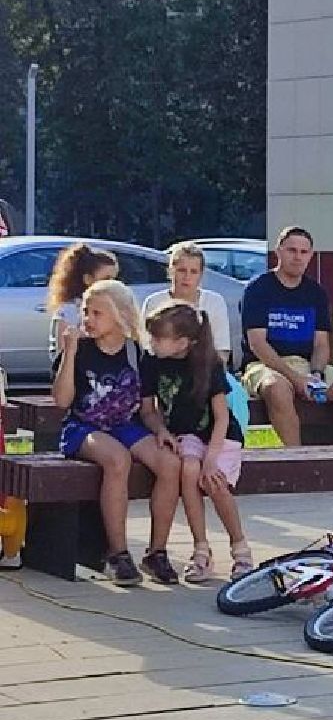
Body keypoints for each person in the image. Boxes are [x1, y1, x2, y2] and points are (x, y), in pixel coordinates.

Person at [54, 280, 181, 587]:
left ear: (120, 316)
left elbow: (147, 408)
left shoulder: (136, 353)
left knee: (170, 463)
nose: (88, 319)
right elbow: (61, 401)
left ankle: (156, 553)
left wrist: (161, 431)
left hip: (125, 425)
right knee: (117, 460)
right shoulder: (80, 349)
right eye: (86, 311)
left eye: (98, 313)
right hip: (83, 427)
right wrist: (69, 352)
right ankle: (118, 553)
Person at [142, 302, 252, 584]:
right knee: (189, 470)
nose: (151, 342)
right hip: (185, 435)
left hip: (219, 435)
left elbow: (222, 417)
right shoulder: (152, 362)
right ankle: (201, 548)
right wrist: (160, 430)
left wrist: (212, 458)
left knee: (215, 482)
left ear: (181, 343)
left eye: (157, 338)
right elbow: (148, 409)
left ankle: (240, 548)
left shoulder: (208, 364)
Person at [239, 227, 333, 447]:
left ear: (311, 255)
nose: (297, 257)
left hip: (306, 364)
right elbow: (257, 344)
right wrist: (296, 379)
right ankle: (298, 459)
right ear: (279, 251)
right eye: (292, 250)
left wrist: (316, 374)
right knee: (277, 389)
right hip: (264, 365)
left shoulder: (316, 293)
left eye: (304, 252)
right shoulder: (257, 289)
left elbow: (321, 345)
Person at [142, 242, 233, 365]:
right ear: (170, 271)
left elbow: (222, 350)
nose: (187, 277)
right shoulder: (154, 302)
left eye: (193, 272)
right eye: (181, 270)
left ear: (201, 275)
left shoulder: (215, 302)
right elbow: (147, 347)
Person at [45, 243, 120, 362]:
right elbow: (62, 353)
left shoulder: (116, 307)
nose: (112, 284)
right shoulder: (69, 310)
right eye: (106, 279)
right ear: (88, 279)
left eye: (115, 279)